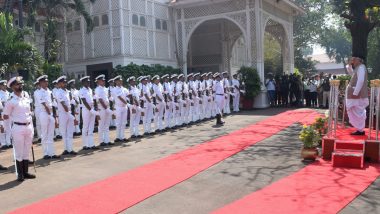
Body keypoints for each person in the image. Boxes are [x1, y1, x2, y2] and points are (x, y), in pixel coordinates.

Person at [3, 76, 36, 181]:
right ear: (12, 87)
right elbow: (5, 115)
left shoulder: (26, 95)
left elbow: (29, 110)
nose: (20, 85)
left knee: (26, 150)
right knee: (19, 152)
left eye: (20, 84)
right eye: (17, 84)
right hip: (17, 127)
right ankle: (20, 174)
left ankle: (26, 172)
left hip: (29, 126)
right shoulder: (10, 100)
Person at [36, 75, 60, 159]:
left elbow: (53, 105)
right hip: (44, 113)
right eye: (44, 81)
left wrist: (54, 116)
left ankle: (52, 153)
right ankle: (45, 153)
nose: (46, 83)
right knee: (45, 133)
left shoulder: (50, 92)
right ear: (40, 83)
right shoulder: (39, 92)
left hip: (50, 113)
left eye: (47, 81)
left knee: (51, 134)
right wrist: (50, 115)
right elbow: (44, 105)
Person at [346, 56, 369, 135]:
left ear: (359, 60)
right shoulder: (358, 68)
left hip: (357, 94)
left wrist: (355, 93)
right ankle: (359, 129)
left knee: (358, 111)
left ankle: (360, 130)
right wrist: (349, 65)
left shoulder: (361, 67)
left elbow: (361, 80)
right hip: (355, 94)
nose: (353, 61)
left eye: (354, 59)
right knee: (355, 111)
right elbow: (352, 74)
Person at [56, 76, 77, 155]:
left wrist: (72, 113)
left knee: (70, 132)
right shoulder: (58, 92)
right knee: (64, 132)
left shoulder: (68, 92)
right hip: (63, 114)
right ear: (59, 84)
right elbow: (63, 104)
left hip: (69, 113)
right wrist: (70, 115)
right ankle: (66, 149)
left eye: (65, 82)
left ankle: (70, 149)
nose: (65, 84)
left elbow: (71, 104)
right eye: (63, 82)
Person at [79, 76, 98, 150]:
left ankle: (91, 144)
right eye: (87, 81)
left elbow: (94, 99)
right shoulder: (81, 91)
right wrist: (91, 110)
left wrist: (95, 108)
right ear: (83, 83)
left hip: (92, 109)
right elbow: (84, 101)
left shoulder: (90, 90)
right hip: (86, 110)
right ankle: (85, 145)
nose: (89, 83)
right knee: (85, 127)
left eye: (89, 81)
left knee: (91, 127)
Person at [95, 75, 113, 146]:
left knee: (107, 125)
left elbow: (108, 98)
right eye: (102, 80)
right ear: (98, 81)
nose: (104, 81)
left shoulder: (105, 89)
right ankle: (101, 141)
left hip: (107, 108)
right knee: (101, 125)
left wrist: (111, 99)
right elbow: (100, 100)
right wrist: (106, 108)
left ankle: (107, 140)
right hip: (102, 109)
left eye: (104, 80)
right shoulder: (97, 89)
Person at [113, 75, 129, 142]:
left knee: (123, 123)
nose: (120, 81)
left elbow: (128, 96)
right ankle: (118, 137)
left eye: (121, 80)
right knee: (118, 123)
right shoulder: (115, 89)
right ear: (116, 82)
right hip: (118, 107)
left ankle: (122, 137)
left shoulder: (124, 89)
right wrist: (128, 104)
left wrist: (129, 100)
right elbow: (120, 97)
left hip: (124, 107)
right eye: (118, 80)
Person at [0, 80, 11, 149]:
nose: (4, 86)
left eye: (5, 85)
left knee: (9, 128)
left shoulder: (8, 93)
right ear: (0, 86)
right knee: (2, 128)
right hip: (2, 113)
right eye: (3, 85)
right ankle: (3, 143)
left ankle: (8, 142)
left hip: (8, 112)